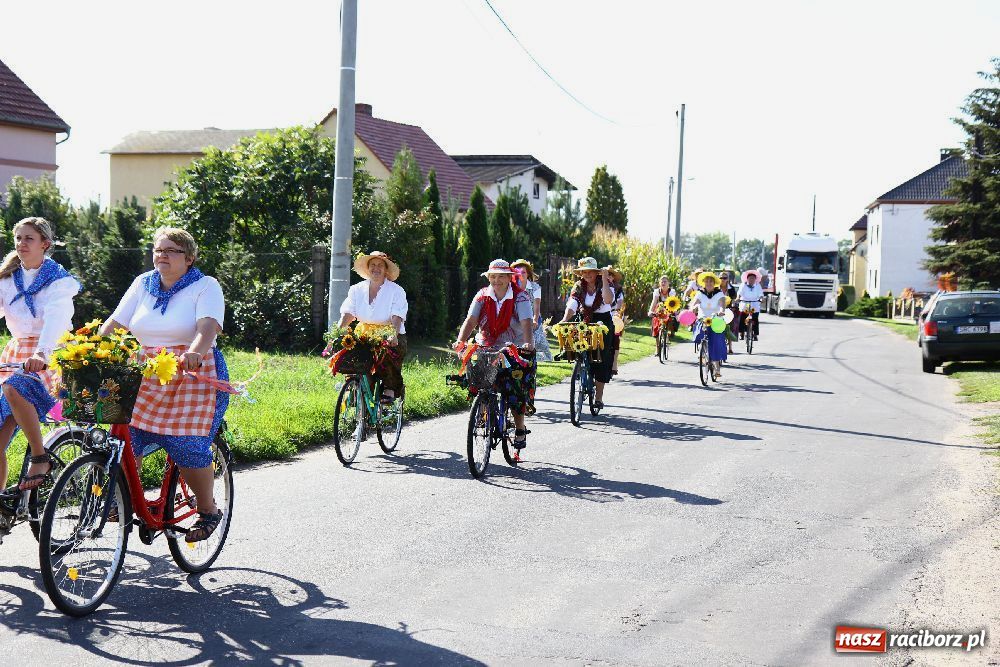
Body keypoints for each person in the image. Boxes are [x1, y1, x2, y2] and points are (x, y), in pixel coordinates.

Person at [100, 227, 228, 543]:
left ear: (189, 258)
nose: (162, 256)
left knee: (186, 444)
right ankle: (128, 499)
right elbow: (115, 323)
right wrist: (92, 348)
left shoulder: (205, 285)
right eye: (158, 250)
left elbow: (207, 326)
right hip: (146, 371)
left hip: (191, 374)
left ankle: (209, 509)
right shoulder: (143, 283)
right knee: (126, 438)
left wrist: (195, 353)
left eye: (171, 250)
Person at [0, 218, 79, 493]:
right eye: (18, 238)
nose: (21, 243)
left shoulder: (60, 280)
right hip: (17, 352)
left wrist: (42, 352)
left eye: (28, 238)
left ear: (45, 244)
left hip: (50, 354)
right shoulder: (8, 278)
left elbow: (56, 318)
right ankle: (2, 509)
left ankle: (40, 456)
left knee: (14, 387)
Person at [455, 260, 536, 450]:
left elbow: (526, 322)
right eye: (493, 276)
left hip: (513, 347)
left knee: (515, 387)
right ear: (488, 277)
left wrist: (528, 345)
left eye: (501, 276)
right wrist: (461, 341)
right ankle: (483, 409)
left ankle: (519, 428)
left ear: (509, 278)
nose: (496, 280)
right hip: (486, 344)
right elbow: (471, 319)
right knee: (479, 380)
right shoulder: (482, 296)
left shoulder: (520, 297)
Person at [337, 251, 408, 399]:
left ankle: (389, 388)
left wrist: (392, 334)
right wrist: (337, 333)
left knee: (387, 355)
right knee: (353, 357)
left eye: (380, 265)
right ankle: (357, 388)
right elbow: (348, 313)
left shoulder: (396, 290)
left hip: (389, 333)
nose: (376, 268)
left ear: (386, 269)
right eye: (373, 265)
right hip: (364, 333)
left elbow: (397, 316)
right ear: (368, 268)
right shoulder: (356, 289)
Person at [559, 257, 616, 410]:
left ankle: (598, 397)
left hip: (602, 322)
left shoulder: (606, 283)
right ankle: (580, 366)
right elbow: (573, 303)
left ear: (596, 272)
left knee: (601, 359)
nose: (587, 274)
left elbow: (608, 299)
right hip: (584, 318)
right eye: (584, 271)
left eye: (590, 271)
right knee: (575, 344)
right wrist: (565, 319)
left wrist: (604, 279)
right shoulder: (579, 286)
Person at [511, 259, 553, 362]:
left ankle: (533, 358)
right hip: (515, 321)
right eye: (517, 272)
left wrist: (534, 320)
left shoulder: (535, 287)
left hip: (532, 321)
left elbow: (537, 306)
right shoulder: (511, 287)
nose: (520, 275)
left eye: (523, 272)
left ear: (528, 273)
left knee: (544, 353)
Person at [689, 272, 728, 380]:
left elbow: (722, 305)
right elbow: (695, 302)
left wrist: (721, 311)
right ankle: (702, 351)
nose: (709, 283)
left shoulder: (719, 293)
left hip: (715, 320)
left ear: (714, 283)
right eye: (707, 281)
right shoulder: (700, 293)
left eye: (711, 281)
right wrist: (694, 307)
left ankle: (717, 367)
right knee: (699, 333)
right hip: (703, 319)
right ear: (704, 283)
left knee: (716, 342)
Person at [607, 266, 626, 375]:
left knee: (615, 336)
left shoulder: (618, 289)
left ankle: (614, 363)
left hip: (614, 312)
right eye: (607, 274)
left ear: (613, 277)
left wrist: (617, 311)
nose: (608, 276)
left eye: (611, 274)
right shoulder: (599, 285)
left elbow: (620, 302)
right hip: (601, 313)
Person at [738, 269, 764, 341]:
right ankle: (741, 333)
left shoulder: (757, 285)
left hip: (754, 304)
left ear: (755, 279)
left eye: (753, 278)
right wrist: (738, 298)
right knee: (742, 318)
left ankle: (755, 334)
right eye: (750, 278)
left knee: (755, 319)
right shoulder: (743, 285)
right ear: (747, 279)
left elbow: (761, 294)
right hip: (745, 304)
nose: (751, 280)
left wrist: (761, 299)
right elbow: (740, 293)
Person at [719, 271, 739, 354]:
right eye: (721, 278)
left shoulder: (731, 289)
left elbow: (734, 298)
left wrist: (733, 303)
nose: (723, 280)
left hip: (729, 309)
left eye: (725, 278)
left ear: (728, 279)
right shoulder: (716, 288)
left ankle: (730, 347)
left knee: (729, 327)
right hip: (718, 309)